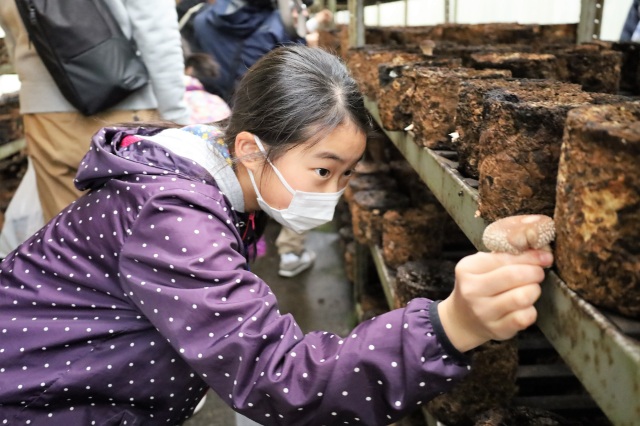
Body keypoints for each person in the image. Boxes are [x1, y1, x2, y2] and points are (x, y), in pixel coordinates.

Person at [0, 46, 552, 425]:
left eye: (346, 174)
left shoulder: (202, 174)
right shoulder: (173, 216)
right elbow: (277, 374)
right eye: (322, 170)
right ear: (248, 147)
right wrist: (448, 325)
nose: (333, 192)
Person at [0, 0, 190, 223]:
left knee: (68, 233)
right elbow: (157, 34)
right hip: (125, 111)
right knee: (143, 228)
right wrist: (176, 121)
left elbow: (14, 33)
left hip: (46, 115)